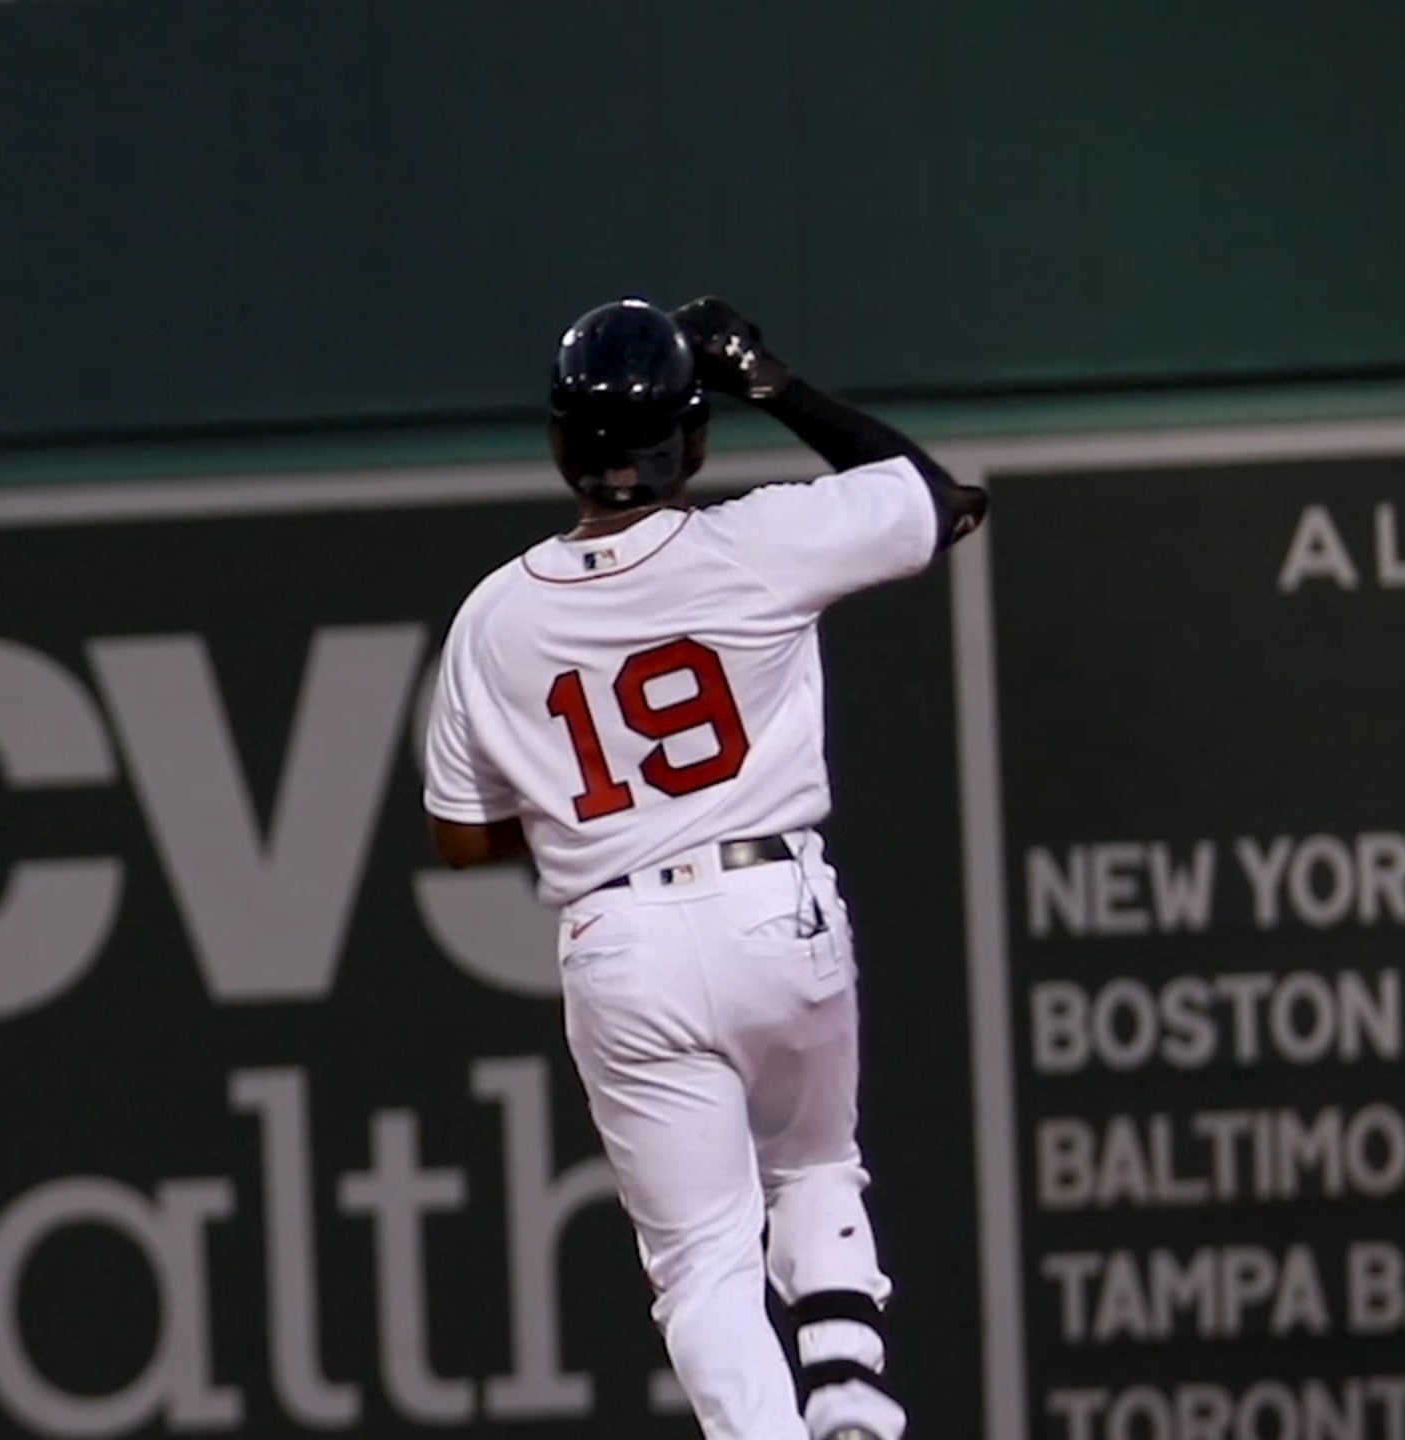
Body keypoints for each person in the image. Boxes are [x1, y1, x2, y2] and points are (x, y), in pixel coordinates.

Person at [420, 296, 984, 1440]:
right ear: (693, 440)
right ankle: (850, 1399)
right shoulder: (754, 543)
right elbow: (938, 501)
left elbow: (461, 836)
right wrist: (770, 384)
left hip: (618, 938)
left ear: (560, 443)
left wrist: (593, 815)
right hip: (774, 898)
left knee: (700, 1269)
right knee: (818, 1166)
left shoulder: (493, 618)